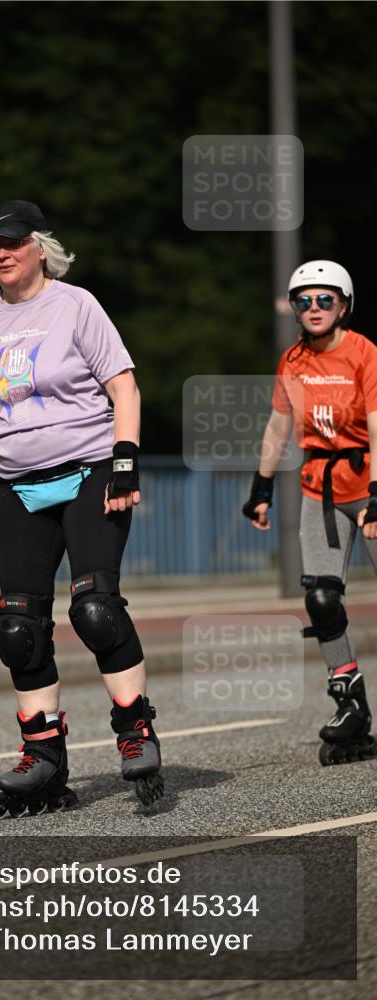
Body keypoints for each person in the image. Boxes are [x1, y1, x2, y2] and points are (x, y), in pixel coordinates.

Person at [0, 200, 163, 815]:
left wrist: (125, 458)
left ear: (41, 247)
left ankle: (134, 730)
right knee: (18, 628)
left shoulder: (76, 305)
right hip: (18, 485)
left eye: (13, 241)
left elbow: (123, 384)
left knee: (94, 609)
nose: (2, 251)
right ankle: (43, 756)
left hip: (92, 473)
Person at [242, 260, 377, 765]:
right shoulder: (293, 361)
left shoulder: (363, 354)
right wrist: (261, 487)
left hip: (368, 482)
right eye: (305, 301)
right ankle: (352, 707)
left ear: (343, 305)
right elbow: (279, 428)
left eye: (325, 299)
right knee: (321, 599)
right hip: (319, 488)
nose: (315, 308)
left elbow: (375, 420)